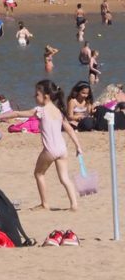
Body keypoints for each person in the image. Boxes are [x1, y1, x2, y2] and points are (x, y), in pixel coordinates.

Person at [31, 80, 82, 211]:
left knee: (39, 174)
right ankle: (74, 204)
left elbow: (18, 114)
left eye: (37, 94)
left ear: (46, 96)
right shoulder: (59, 111)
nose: (34, 97)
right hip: (62, 149)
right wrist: (78, 146)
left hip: (50, 150)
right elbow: (70, 129)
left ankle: (44, 204)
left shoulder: (40, 110)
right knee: (65, 178)